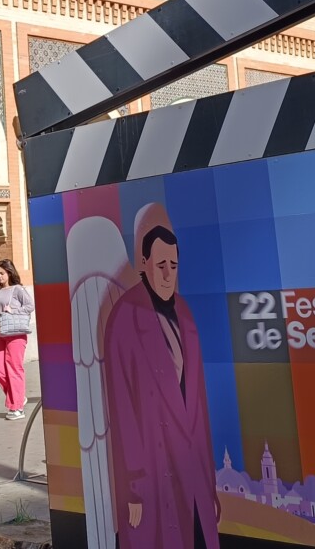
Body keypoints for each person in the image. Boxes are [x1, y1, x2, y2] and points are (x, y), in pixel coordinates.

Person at [102, 202, 219, 549]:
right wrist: (134, 486)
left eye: (174, 265)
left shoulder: (185, 314)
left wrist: (209, 485)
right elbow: (122, 409)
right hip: (153, 470)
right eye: (161, 265)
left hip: (191, 467)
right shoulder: (125, 318)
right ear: (144, 266)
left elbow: (198, 403)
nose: (168, 274)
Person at [0, 259, 35, 421]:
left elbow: (30, 306)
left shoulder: (18, 289)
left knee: (14, 368)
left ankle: (17, 408)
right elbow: (1, 311)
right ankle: (18, 397)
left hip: (16, 333)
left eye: (2, 273)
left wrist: (13, 310)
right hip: (0, 332)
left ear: (9, 272)